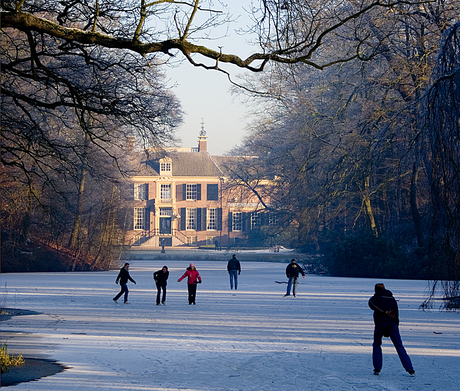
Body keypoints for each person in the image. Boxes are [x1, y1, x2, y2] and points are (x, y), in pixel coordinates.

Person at [368, 283, 415, 376]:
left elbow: (371, 305)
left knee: (377, 344)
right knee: (399, 346)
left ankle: (377, 368)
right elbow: (396, 313)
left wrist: (384, 312)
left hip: (380, 324)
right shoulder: (392, 299)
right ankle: (410, 369)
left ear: (375, 290)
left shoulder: (375, 298)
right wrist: (396, 323)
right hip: (393, 324)